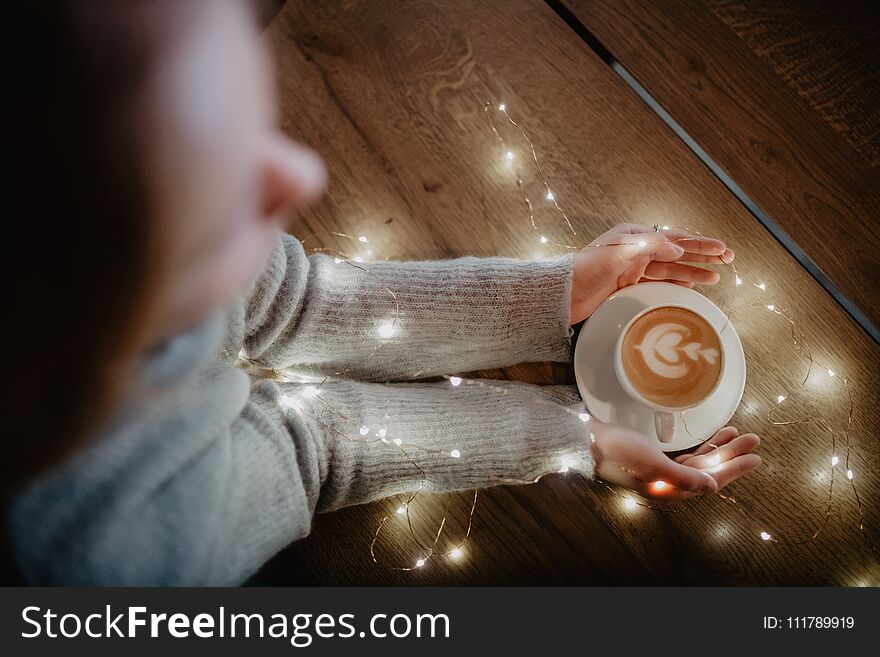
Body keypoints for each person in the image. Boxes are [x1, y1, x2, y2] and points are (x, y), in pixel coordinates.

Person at [5, 0, 759, 585]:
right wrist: (569, 438)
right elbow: (313, 449)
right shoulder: (103, 563)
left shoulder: (77, 207)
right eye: (193, 154)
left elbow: (292, 301)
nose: (298, 176)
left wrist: (552, 294)